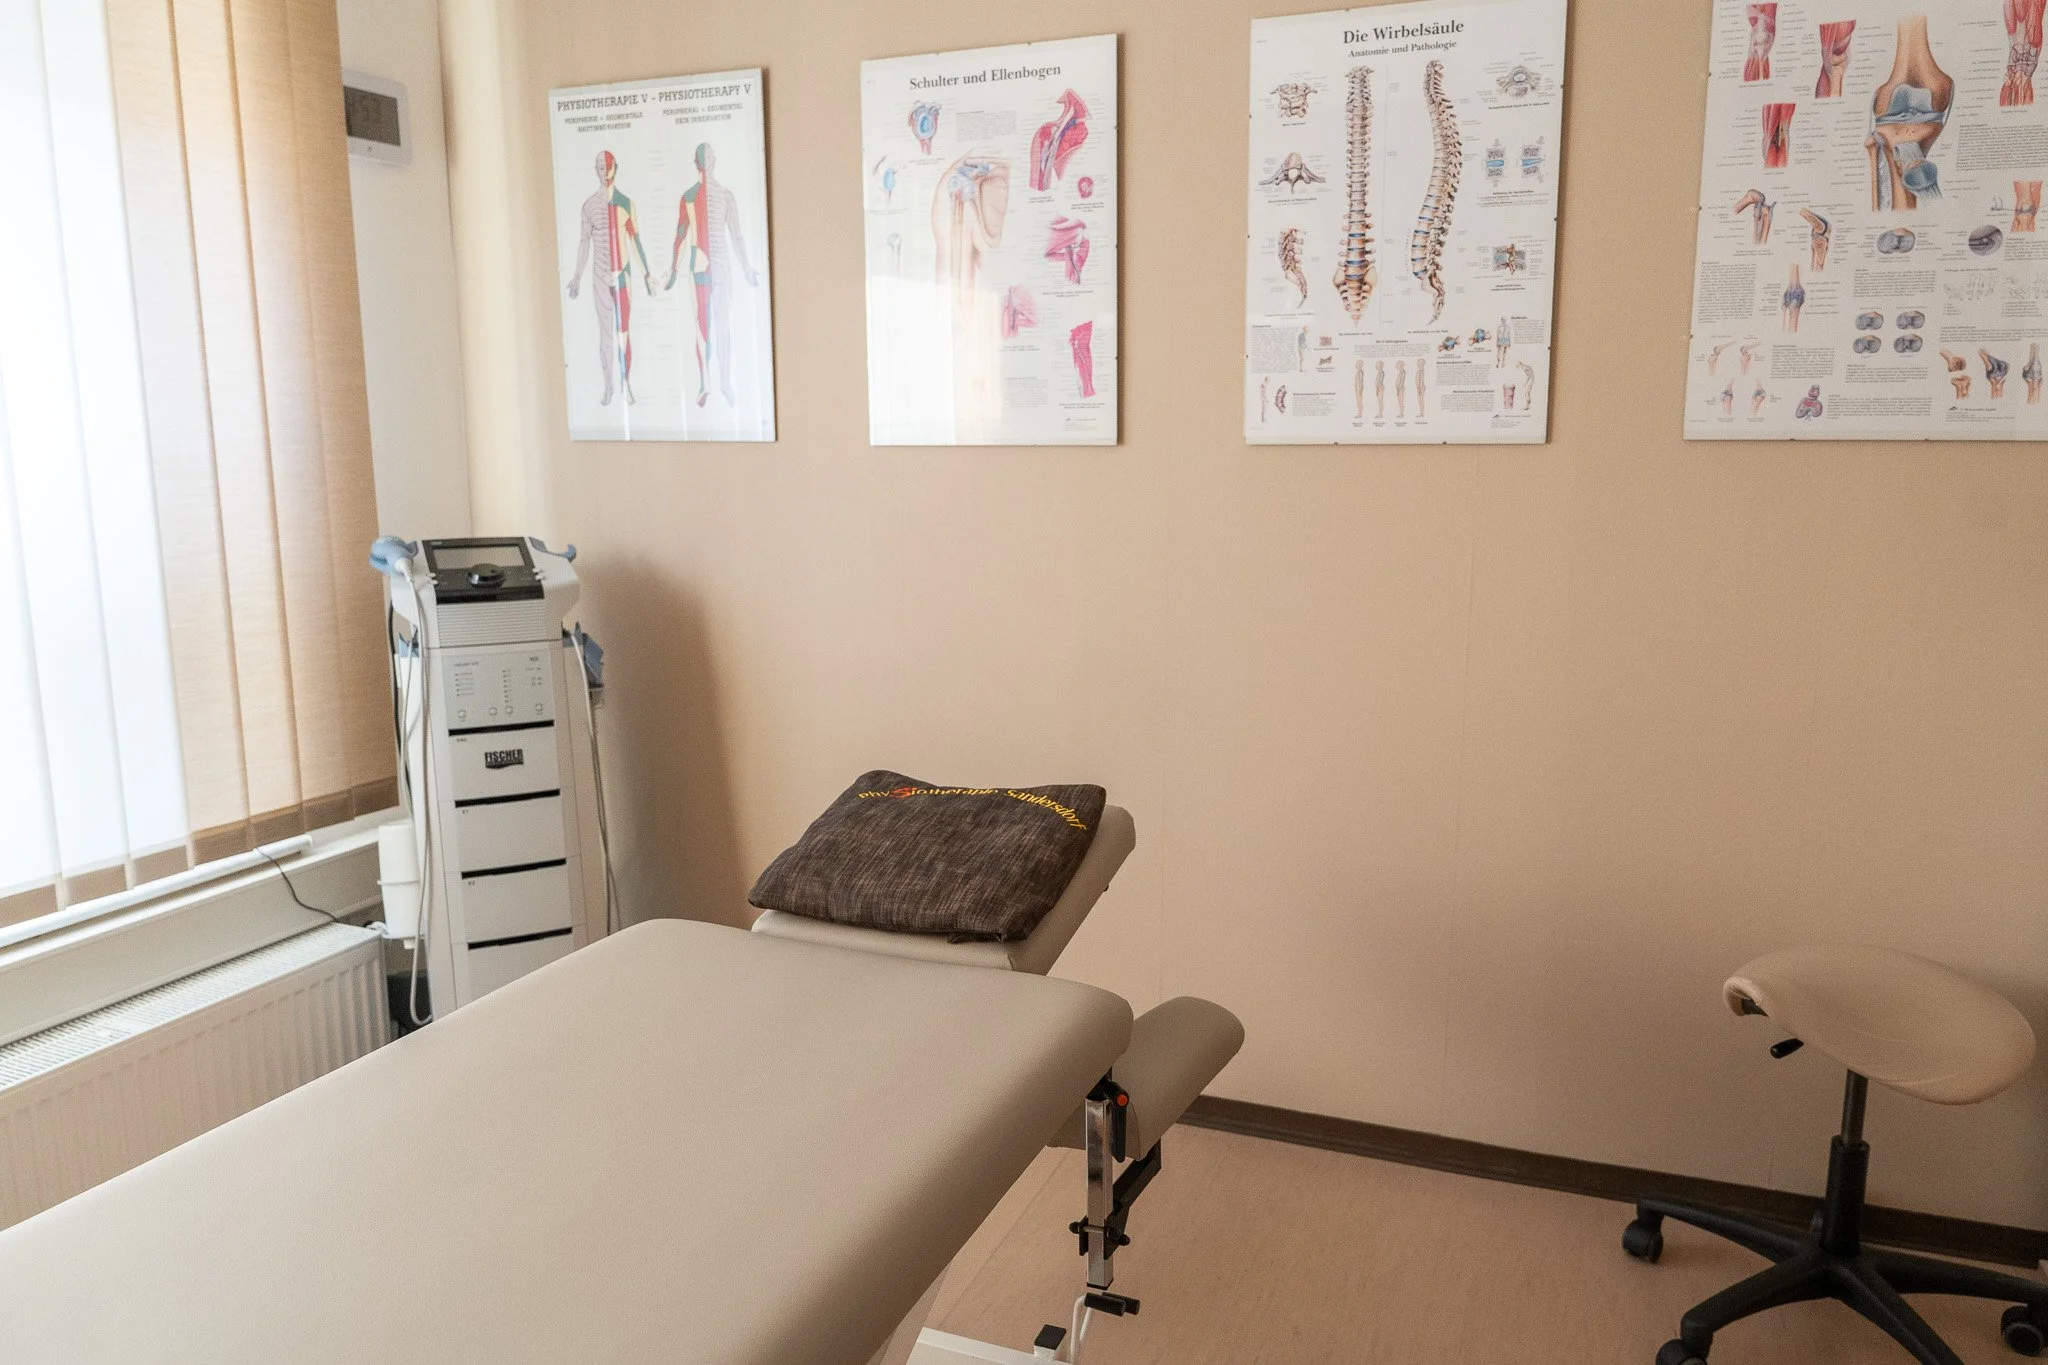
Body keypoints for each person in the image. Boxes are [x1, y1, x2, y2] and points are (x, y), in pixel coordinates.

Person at [667, 143, 761, 408]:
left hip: (722, 267)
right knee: (702, 328)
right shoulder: (687, 197)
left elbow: (737, 236)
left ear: (714, 161)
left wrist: (746, 268)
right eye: (702, 158)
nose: (706, 161)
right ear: (698, 163)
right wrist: (674, 269)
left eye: (709, 157)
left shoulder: (726, 196)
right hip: (699, 267)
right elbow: (680, 236)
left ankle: (726, 383)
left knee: (723, 327)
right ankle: (704, 383)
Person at [567, 151, 655, 406]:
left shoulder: (626, 204)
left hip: (623, 276)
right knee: (606, 336)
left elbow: (635, 241)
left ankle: (626, 385)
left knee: (624, 334)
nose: (602, 171)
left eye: (606, 167)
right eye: (598, 167)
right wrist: (576, 276)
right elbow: (584, 243)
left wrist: (647, 273)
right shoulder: (589, 207)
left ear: (615, 168)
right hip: (600, 277)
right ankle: (609, 388)